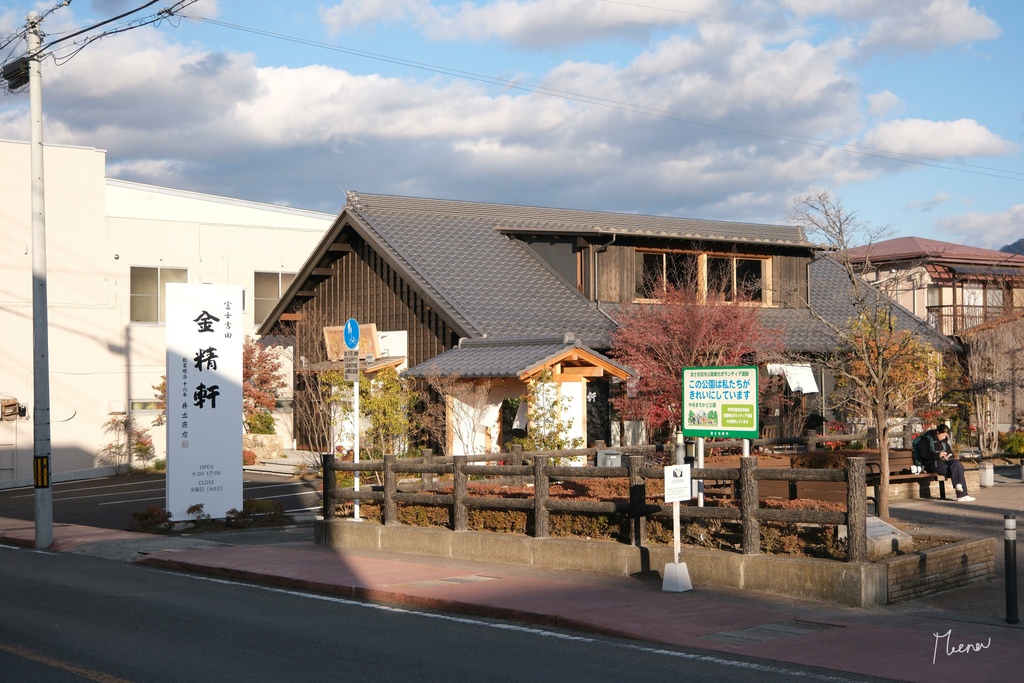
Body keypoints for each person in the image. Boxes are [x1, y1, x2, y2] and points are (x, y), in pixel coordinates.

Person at [915, 424, 974, 502]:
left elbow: (950, 452)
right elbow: (925, 455)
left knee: (956, 463)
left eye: (945, 436)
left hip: (943, 463)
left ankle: (960, 489)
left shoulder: (943, 441)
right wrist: (938, 455)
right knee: (958, 469)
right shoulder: (926, 440)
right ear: (937, 432)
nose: (944, 438)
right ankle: (962, 494)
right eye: (943, 435)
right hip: (932, 465)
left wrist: (948, 455)